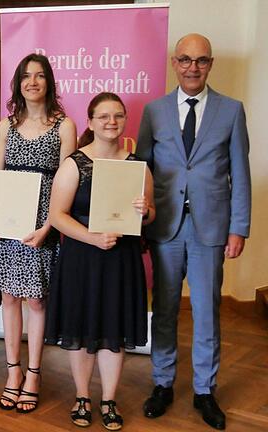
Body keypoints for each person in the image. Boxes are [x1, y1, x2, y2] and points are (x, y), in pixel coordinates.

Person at [136, 33, 251, 431]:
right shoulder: (154, 111)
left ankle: (205, 390)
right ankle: (163, 384)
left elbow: (241, 173)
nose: (192, 67)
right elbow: (143, 172)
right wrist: (139, 225)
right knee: (164, 311)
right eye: (185, 59)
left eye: (201, 61)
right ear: (174, 62)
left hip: (211, 230)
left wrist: (239, 228)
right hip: (164, 228)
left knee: (206, 312)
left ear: (211, 64)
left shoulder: (232, 110)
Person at [45, 92, 154, 431]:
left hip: (121, 261)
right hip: (83, 258)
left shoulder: (138, 165)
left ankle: (109, 399)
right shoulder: (75, 163)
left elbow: (150, 216)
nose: (111, 121)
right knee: (80, 330)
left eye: (118, 116)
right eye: (104, 116)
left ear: (124, 121)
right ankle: (82, 397)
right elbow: (57, 216)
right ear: (90, 122)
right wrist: (92, 237)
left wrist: (145, 212)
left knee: (114, 331)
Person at [0, 53, 76, 413]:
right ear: (18, 83)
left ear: (49, 82)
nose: (32, 82)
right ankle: (13, 372)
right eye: (25, 76)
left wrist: (49, 226)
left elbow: (68, 182)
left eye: (39, 76)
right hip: (7, 218)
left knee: (36, 299)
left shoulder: (64, 125)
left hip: (42, 220)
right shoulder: (7, 125)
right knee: (9, 299)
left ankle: (34, 373)